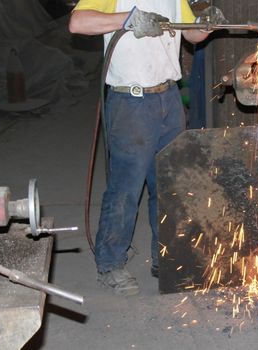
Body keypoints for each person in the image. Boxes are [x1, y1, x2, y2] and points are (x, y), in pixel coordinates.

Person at [69, 0, 216, 296]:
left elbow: (190, 34)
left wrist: (206, 26)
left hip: (169, 97)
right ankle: (110, 264)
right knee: (126, 187)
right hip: (131, 102)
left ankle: (166, 257)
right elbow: (78, 23)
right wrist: (130, 18)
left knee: (169, 185)